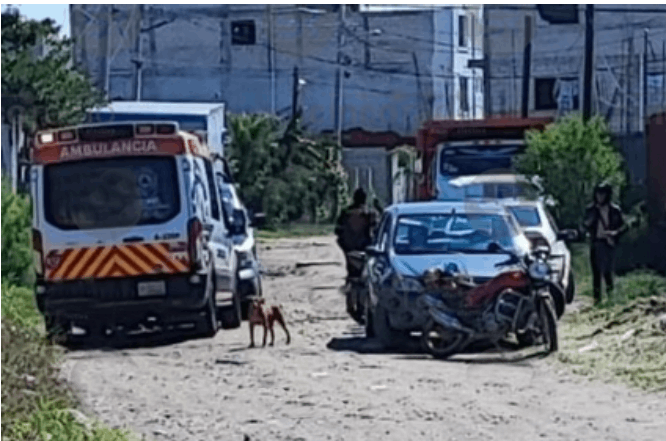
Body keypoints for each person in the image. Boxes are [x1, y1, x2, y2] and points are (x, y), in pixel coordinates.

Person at [583, 182, 627, 305]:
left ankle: (611, 298)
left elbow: (623, 226)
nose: (600, 197)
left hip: (609, 243)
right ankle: (597, 300)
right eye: (598, 194)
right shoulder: (591, 210)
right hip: (596, 242)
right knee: (596, 272)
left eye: (602, 194)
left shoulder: (615, 210)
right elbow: (584, 225)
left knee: (608, 272)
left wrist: (614, 233)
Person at [335, 188, 376, 279]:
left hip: (349, 246)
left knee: (351, 269)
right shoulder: (369, 213)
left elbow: (338, 230)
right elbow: (375, 229)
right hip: (364, 246)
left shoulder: (346, 212)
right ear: (364, 199)